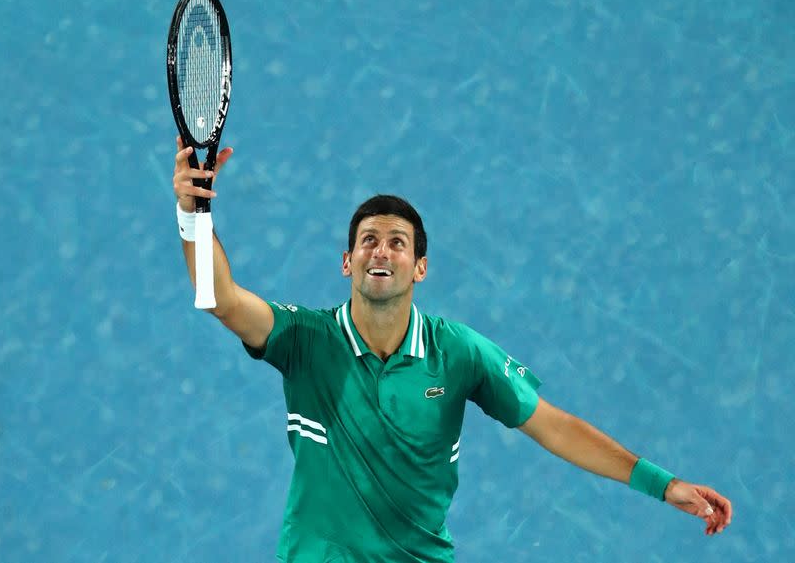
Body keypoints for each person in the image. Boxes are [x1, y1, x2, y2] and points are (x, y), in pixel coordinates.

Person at [172, 138, 732, 562]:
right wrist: (193, 214)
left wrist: (663, 484)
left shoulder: (458, 353)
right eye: (368, 240)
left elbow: (552, 426)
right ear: (348, 262)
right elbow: (218, 298)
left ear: (419, 267)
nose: (381, 251)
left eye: (397, 242)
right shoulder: (305, 339)